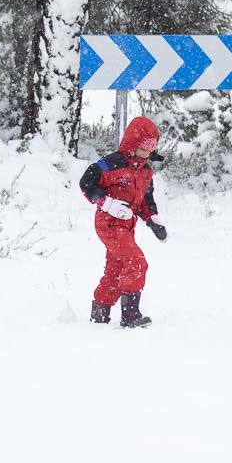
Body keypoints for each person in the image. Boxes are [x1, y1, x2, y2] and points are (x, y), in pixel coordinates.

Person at [79, 116, 168, 328]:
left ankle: (100, 312)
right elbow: (86, 182)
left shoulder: (146, 171)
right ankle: (130, 314)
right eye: (144, 147)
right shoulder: (111, 164)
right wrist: (106, 202)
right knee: (136, 263)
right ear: (133, 143)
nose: (148, 152)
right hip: (108, 223)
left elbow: (146, 199)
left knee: (116, 268)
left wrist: (152, 220)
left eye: (151, 147)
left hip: (127, 227)